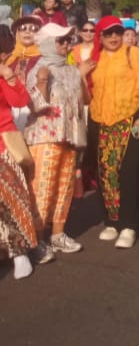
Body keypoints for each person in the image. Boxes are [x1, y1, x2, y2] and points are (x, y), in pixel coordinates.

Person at [84, 15, 139, 248]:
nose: (114, 37)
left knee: (128, 172)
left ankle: (130, 224)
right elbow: (86, 95)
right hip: (100, 121)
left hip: (129, 118)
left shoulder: (133, 54)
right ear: (100, 37)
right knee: (105, 173)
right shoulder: (94, 59)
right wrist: (81, 74)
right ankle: (112, 221)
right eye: (108, 33)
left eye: (117, 33)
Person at [23, 23, 89, 255]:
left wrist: (82, 77)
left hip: (70, 136)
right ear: (49, 43)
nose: (66, 44)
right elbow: (33, 106)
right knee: (42, 188)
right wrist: (41, 81)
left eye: (68, 39)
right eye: (61, 40)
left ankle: (58, 234)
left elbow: (83, 101)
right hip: (44, 136)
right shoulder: (37, 69)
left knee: (64, 186)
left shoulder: (71, 69)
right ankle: (38, 239)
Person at [1, 64, 42, 279]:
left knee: (12, 201)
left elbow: (18, 101)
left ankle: (19, 252)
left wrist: (8, 77)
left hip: (3, 145)